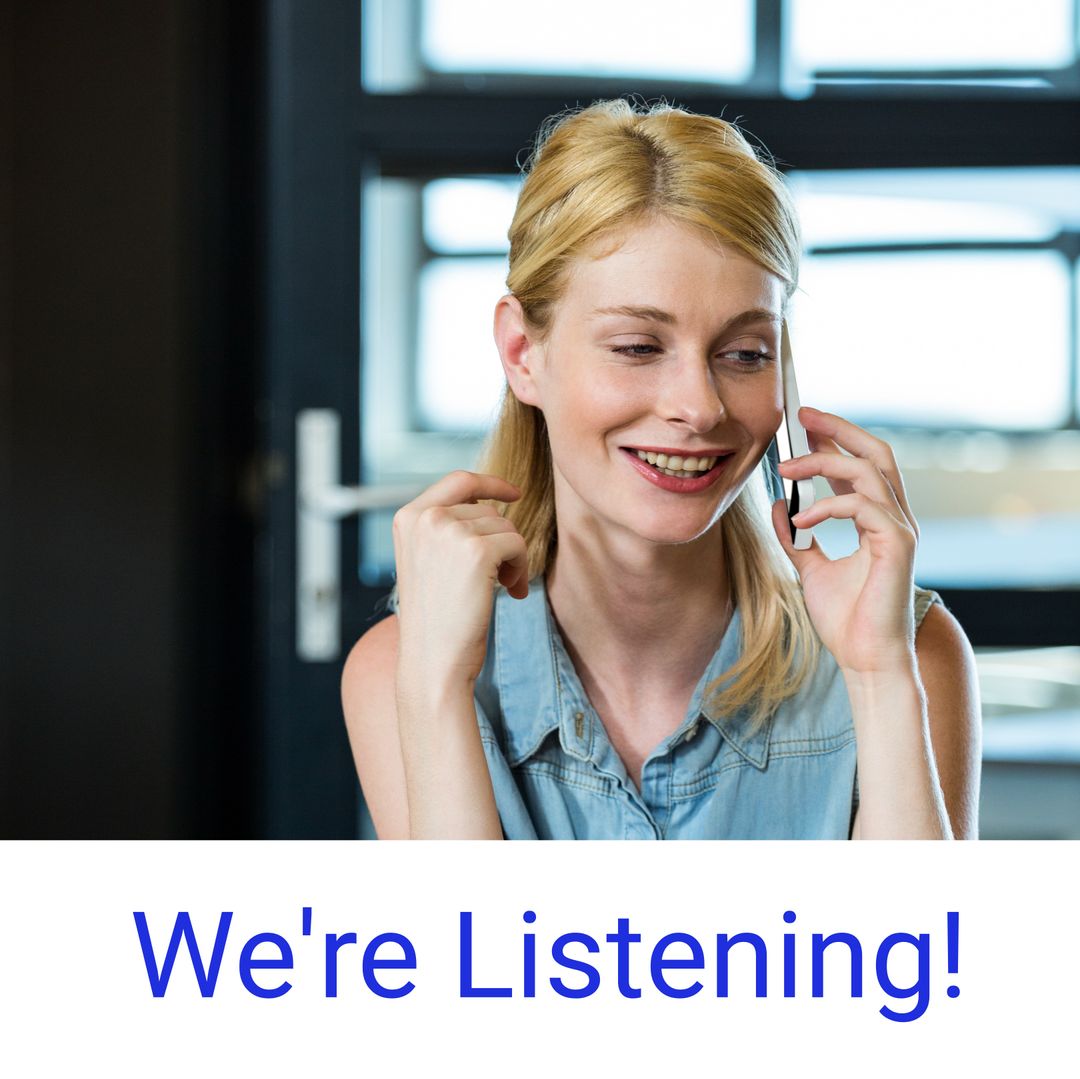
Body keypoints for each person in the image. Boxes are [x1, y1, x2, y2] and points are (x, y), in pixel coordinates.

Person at [341, 98, 981, 840]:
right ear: (523, 354)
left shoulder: (908, 651)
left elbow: (918, 953)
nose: (700, 407)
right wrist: (434, 687)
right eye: (639, 347)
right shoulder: (404, 667)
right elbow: (469, 956)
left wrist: (876, 677)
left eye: (745, 354)